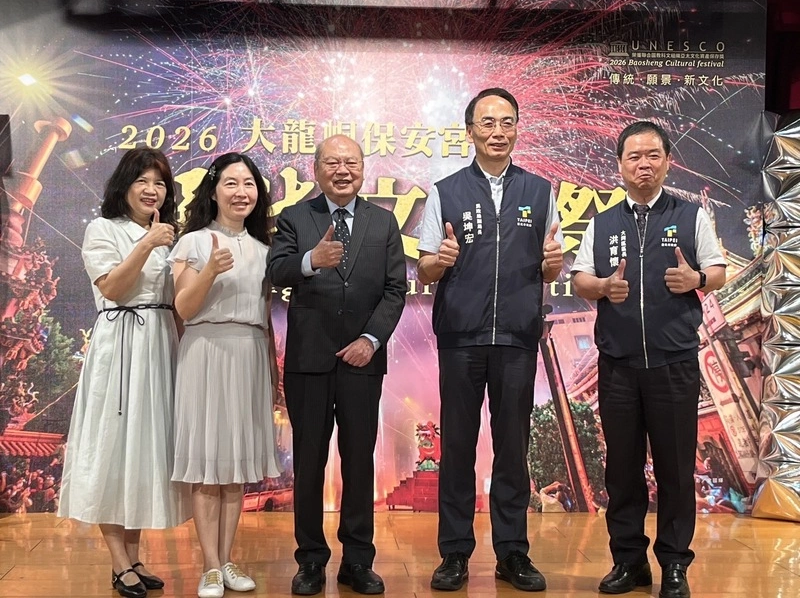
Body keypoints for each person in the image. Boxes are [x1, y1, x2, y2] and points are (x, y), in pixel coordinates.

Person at [572, 121, 727, 598]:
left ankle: (675, 564)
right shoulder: (602, 223)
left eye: (653, 155)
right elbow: (580, 278)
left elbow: (717, 270)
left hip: (673, 361)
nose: (644, 164)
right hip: (617, 365)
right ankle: (629, 562)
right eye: (634, 157)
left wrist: (697, 280)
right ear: (620, 165)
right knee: (621, 470)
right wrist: (602, 287)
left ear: (667, 162)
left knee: (675, 469)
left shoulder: (690, 216)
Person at [417, 87, 563, 593]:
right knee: (457, 447)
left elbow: (551, 263)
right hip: (461, 336)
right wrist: (439, 261)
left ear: (517, 128)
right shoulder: (445, 191)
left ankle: (512, 552)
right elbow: (425, 268)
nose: (498, 131)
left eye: (507, 122)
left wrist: (553, 265)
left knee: (512, 448)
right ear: (470, 131)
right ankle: (455, 553)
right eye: (487, 122)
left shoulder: (540, 191)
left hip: (518, 337)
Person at [268, 134, 406, 596]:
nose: (342, 170)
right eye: (332, 162)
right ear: (316, 170)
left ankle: (358, 560)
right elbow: (277, 271)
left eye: (351, 162)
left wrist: (371, 340)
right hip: (309, 361)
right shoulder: (294, 217)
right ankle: (310, 560)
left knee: (359, 461)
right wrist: (312, 260)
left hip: (363, 362)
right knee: (309, 463)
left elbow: (395, 290)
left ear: (363, 169)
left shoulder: (383, 222)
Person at [58, 147, 190, 598]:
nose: (152, 190)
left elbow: (176, 302)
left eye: (160, 183)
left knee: (141, 452)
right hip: (120, 345)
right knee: (113, 450)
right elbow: (113, 288)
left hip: (159, 344)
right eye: (142, 181)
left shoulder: (169, 235)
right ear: (124, 186)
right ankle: (118, 563)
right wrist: (147, 244)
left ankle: (134, 558)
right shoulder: (103, 229)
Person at [170, 152, 283, 598]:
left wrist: (272, 373)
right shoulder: (193, 243)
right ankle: (210, 567)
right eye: (231, 183)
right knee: (207, 465)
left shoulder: (265, 251)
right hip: (205, 350)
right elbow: (184, 308)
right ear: (213, 191)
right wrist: (210, 272)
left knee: (235, 467)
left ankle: (228, 558)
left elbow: (266, 318)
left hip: (249, 352)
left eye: (249, 184)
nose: (241, 192)